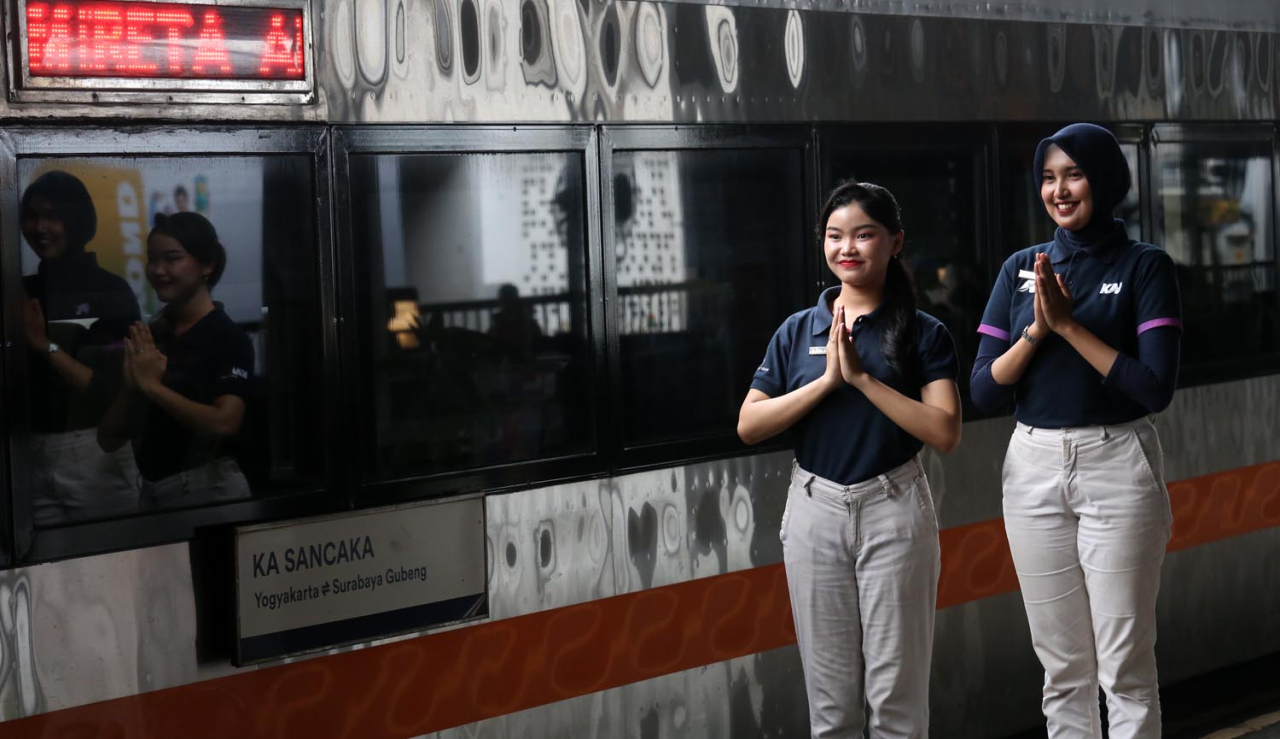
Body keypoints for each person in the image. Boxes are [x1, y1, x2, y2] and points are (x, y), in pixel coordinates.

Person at [970, 123, 1182, 739]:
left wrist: (1067, 327)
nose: (1058, 190)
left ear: (1105, 180)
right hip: (1032, 464)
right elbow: (984, 390)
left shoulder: (1146, 267)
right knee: (1062, 671)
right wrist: (1038, 330)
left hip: (1117, 463)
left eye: (1074, 174)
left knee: (1125, 670)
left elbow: (1153, 388)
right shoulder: (1019, 270)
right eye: (1047, 177)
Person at [738, 181, 962, 739]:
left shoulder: (923, 332)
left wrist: (861, 379)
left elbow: (945, 431)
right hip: (815, 510)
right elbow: (749, 424)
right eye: (835, 236)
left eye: (864, 235)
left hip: (895, 507)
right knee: (832, 705)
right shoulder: (797, 331)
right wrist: (828, 382)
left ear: (895, 243)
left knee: (896, 701)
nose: (848, 248)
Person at [98, 212, 254, 508]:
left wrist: (154, 387)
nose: (158, 270)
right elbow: (108, 440)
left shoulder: (227, 337)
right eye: (152, 259)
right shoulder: (153, 334)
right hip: (152, 491)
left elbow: (225, 423)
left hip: (208, 489)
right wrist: (134, 387)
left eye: (172, 258)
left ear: (207, 264)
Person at [20, 170, 141, 524]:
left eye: (53, 216)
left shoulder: (109, 290)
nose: (39, 228)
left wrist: (45, 346)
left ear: (76, 220)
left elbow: (111, 390)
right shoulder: (23, 289)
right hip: (30, 451)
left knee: (114, 566)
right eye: (31, 216)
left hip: (94, 447)